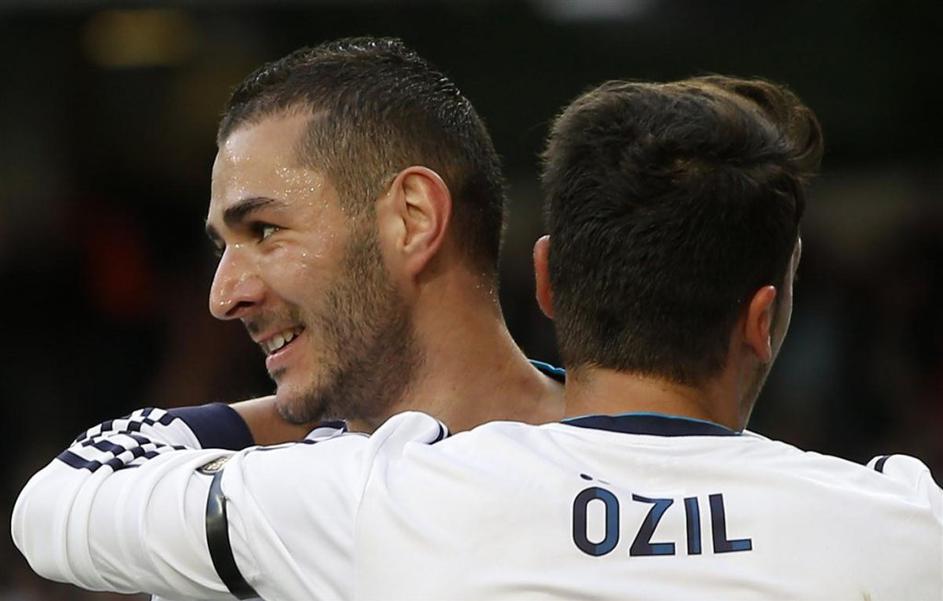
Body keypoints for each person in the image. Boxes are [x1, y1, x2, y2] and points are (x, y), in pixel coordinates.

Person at [14, 76, 942, 600]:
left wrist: (281, 414)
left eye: (263, 229)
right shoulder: (899, 523)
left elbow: (56, 507)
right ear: (762, 319)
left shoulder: (378, 498)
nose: (226, 293)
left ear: (546, 281)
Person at [202, 35, 563, 445]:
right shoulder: (260, 477)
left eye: (265, 230)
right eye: (222, 248)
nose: (222, 298)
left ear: (413, 218)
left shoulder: (617, 460)